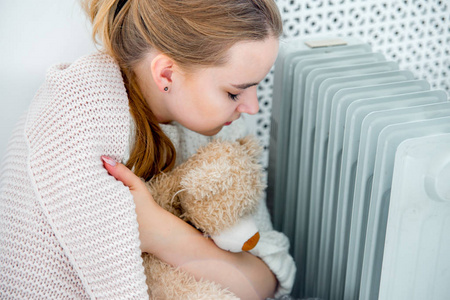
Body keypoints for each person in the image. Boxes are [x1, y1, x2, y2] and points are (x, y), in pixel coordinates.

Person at [0, 0, 296, 299]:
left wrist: (161, 234)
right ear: (166, 74)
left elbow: (265, 280)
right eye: (234, 92)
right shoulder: (78, 117)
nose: (252, 107)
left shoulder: (223, 129)